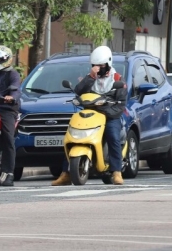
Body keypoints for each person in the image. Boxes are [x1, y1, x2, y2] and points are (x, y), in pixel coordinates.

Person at [52, 46, 127, 186]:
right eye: (94, 65)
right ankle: (66, 173)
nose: (98, 68)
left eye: (101, 65)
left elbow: (120, 105)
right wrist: (91, 77)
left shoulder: (117, 79)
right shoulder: (89, 77)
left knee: (113, 136)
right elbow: (78, 91)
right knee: (72, 135)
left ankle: (116, 171)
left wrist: (104, 109)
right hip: (90, 114)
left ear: (109, 63)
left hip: (110, 116)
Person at [0, 46, 21, 186]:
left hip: (7, 109)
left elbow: (16, 89)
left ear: (6, 59)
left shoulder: (12, 74)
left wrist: (11, 97)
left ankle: (9, 173)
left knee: (8, 138)